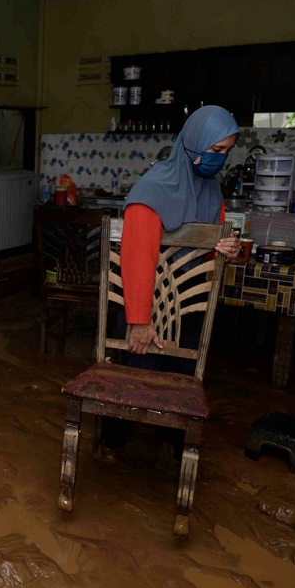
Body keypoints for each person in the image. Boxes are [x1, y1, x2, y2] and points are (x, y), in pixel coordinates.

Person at [101, 105, 241, 461]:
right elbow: (137, 258)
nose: (220, 160)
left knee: (183, 378)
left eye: (225, 152)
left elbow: (215, 248)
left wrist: (230, 249)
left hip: (189, 307)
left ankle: (175, 446)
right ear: (193, 144)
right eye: (215, 151)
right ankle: (112, 445)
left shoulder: (211, 192)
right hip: (144, 306)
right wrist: (139, 322)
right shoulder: (153, 190)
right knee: (138, 379)